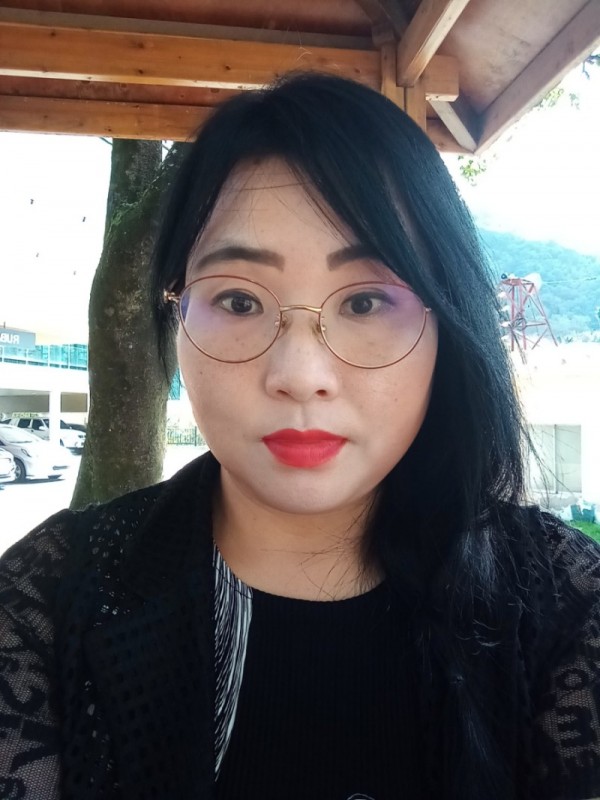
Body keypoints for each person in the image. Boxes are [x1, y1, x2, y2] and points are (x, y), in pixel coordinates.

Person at [1, 73, 599, 800]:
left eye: (366, 301)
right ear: (175, 315)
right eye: (239, 300)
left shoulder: (564, 604)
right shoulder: (44, 604)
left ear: (449, 320)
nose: (299, 375)